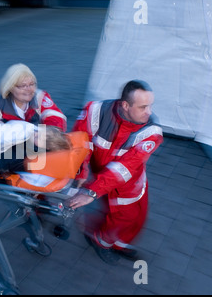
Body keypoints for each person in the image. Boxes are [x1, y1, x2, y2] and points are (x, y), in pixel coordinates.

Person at [68, 80, 163, 265]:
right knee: (122, 217)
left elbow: (126, 167)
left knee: (135, 216)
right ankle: (101, 241)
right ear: (125, 105)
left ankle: (116, 243)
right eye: (143, 107)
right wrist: (81, 172)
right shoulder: (95, 111)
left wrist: (91, 191)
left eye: (150, 105)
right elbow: (79, 142)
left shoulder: (152, 131)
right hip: (102, 177)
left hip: (128, 181)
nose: (149, 112)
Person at [0, 63, 67, 132]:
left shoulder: (40, 97)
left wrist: (50, 132)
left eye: (31, 84)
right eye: (22, 86)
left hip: (38, 146)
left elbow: (55, 117)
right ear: (10, 87)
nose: (28, 89)